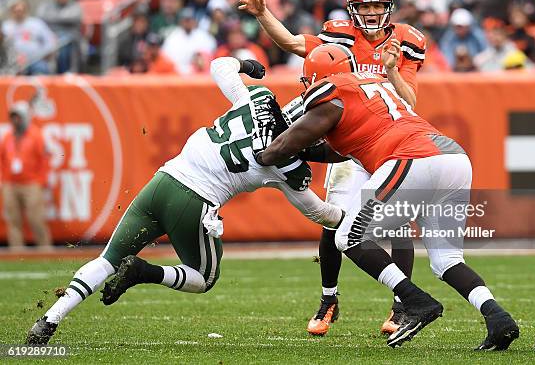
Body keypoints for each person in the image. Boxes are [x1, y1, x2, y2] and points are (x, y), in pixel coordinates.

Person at [26, 56, 344, 345]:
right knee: (204, 278)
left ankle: (49, 319)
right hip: (197, 201)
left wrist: (246, 65)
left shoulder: (254, 98)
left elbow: (220, 64)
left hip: (163, 181)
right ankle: (143, 272)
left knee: (107, 259)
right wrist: (349, 216)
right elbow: (320, 213)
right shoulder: (285, 165)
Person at [254, 43, 519, 349]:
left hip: (412, 159)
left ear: (315, 77)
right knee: (446, 260)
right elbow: (337, 150)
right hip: (452, 158)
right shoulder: (370, 86)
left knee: (348, 237)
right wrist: (296, 149)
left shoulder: (330, 91)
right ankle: (498, 319)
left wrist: (260, 156)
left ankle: (413, 301)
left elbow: (288, 142)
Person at [239, 0, 426, 336]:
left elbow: (410, 101)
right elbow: (295, 43)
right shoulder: (339, 37)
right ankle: (329, 299)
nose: (371, 13)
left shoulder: (406, 42)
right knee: (333, 221)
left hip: (387, 141)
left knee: (399, 223)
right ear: (353, 9)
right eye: (365, 6)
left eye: (376, 6)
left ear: (388, 8)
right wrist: (263, 15)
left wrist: (389, 68)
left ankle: (402, 306)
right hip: (350, 141)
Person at [0, 101, 51, 249]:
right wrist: (4, 179)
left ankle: (46, 251)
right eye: (13, 117)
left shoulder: (36, 135)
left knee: (36, 219)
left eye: (18, 117)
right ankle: (17, 253)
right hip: (11, 184)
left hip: (31, 184)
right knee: (13, 220)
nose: (15, 120)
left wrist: (41, 181)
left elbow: (44, 160)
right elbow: (2, 158)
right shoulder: (8, 136)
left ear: (25, 117)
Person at [36, 0, 83, 73]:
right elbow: (40, 17)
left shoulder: (75, 6)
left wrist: (51, 18)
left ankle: (63, 73)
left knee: (63, 42)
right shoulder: (46, 6)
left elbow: (74, 18)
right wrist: (61, 18)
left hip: (69, 39)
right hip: (48, 36)